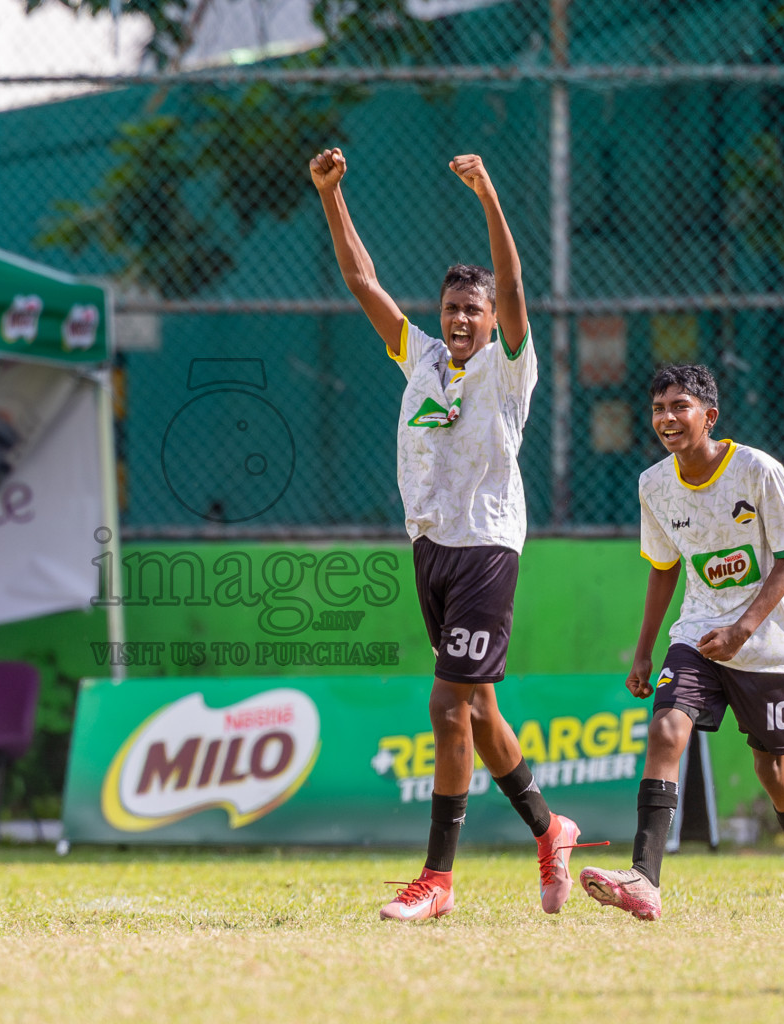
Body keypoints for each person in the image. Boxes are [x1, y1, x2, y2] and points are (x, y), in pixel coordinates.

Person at [310, 147, 590, 922]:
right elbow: (363, 284)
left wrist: (490, 194)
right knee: (481, 712)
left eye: (475, 309)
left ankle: (436, 879)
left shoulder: (509, 367)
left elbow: (516, 282)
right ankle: (550, 825)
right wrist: (332, 194)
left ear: (493, 316)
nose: (461, 319)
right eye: (453, 308)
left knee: (446, 706)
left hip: (487, 549)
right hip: (429, 550)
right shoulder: (423, 360)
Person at [578, 364, 784, 922]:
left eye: (679, 407)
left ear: (709, 416)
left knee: (775, 772)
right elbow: (664, 568)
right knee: (668, 728)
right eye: (657, 410)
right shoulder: (653, 484)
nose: (667, 419)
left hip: (764, 643)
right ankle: (644, 877)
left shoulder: (758, 471)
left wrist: (745, 628)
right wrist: (644, 648)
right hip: (696, 633)